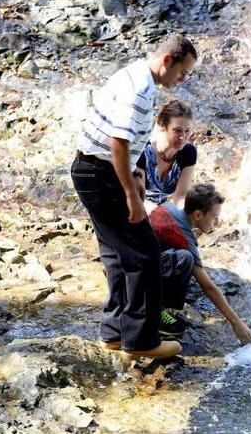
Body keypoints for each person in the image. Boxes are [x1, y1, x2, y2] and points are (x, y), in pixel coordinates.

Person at [71, 33, 197, 359]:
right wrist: (131, 195)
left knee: (116, 254)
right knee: (145, 254)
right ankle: (141, 341)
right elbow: (118, 142)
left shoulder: (134, 74)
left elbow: (128, 143)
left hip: (88, 169)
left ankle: (114, 333)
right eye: (182, 72)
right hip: (103, 174)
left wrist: (138, 174)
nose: (183, 79)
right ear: (167, 61)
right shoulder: (141, 90)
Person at [149, 183, 251, 345]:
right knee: (185, 259)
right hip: (137, 283)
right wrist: (236, 323)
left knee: (178, 258)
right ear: (198, 215)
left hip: (129, 270)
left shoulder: (167, 207)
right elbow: (208, 287)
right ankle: (155, 314)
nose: (217, 222)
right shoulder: (183, 236)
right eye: (214, 217)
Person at [137, 100, 196, 212]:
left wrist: (185, 214)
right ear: (163, 125)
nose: (183, 137)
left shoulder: (188, 152)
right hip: (133, 206)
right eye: (177, 130)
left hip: (160, 210)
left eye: (187, 131)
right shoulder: (142, 150)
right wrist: (163, 215)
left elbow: (181, 195)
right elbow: (137, 197)